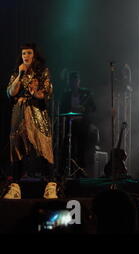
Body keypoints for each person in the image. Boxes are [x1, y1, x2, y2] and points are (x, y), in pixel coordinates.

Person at [3, 43, 57, 199]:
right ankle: (15, 186)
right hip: (19, 113)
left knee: (43, 145)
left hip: (37, 111)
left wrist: (34, 92)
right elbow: (10, 92)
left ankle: (51, 184)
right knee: (17, 146)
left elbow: (46, 94)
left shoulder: (42, 72)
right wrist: (20, 75)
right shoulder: (17, 72)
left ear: (34, 55)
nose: (25, 56)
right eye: (23, 53)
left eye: (28, 53)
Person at [60, 71, 97, 177]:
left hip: (82, 125)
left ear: (79, 81)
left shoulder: (86, 93)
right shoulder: (66, 95)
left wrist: (85, 108)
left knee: (82, 149)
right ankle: (67, 170)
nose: (74, 83)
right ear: (70, 83)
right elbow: (62, 109)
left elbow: (94, 108)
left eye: (76, 81)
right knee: (68, 147)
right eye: (72, 81)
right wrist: (69, 109)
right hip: (70, 125)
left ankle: (81, 171)